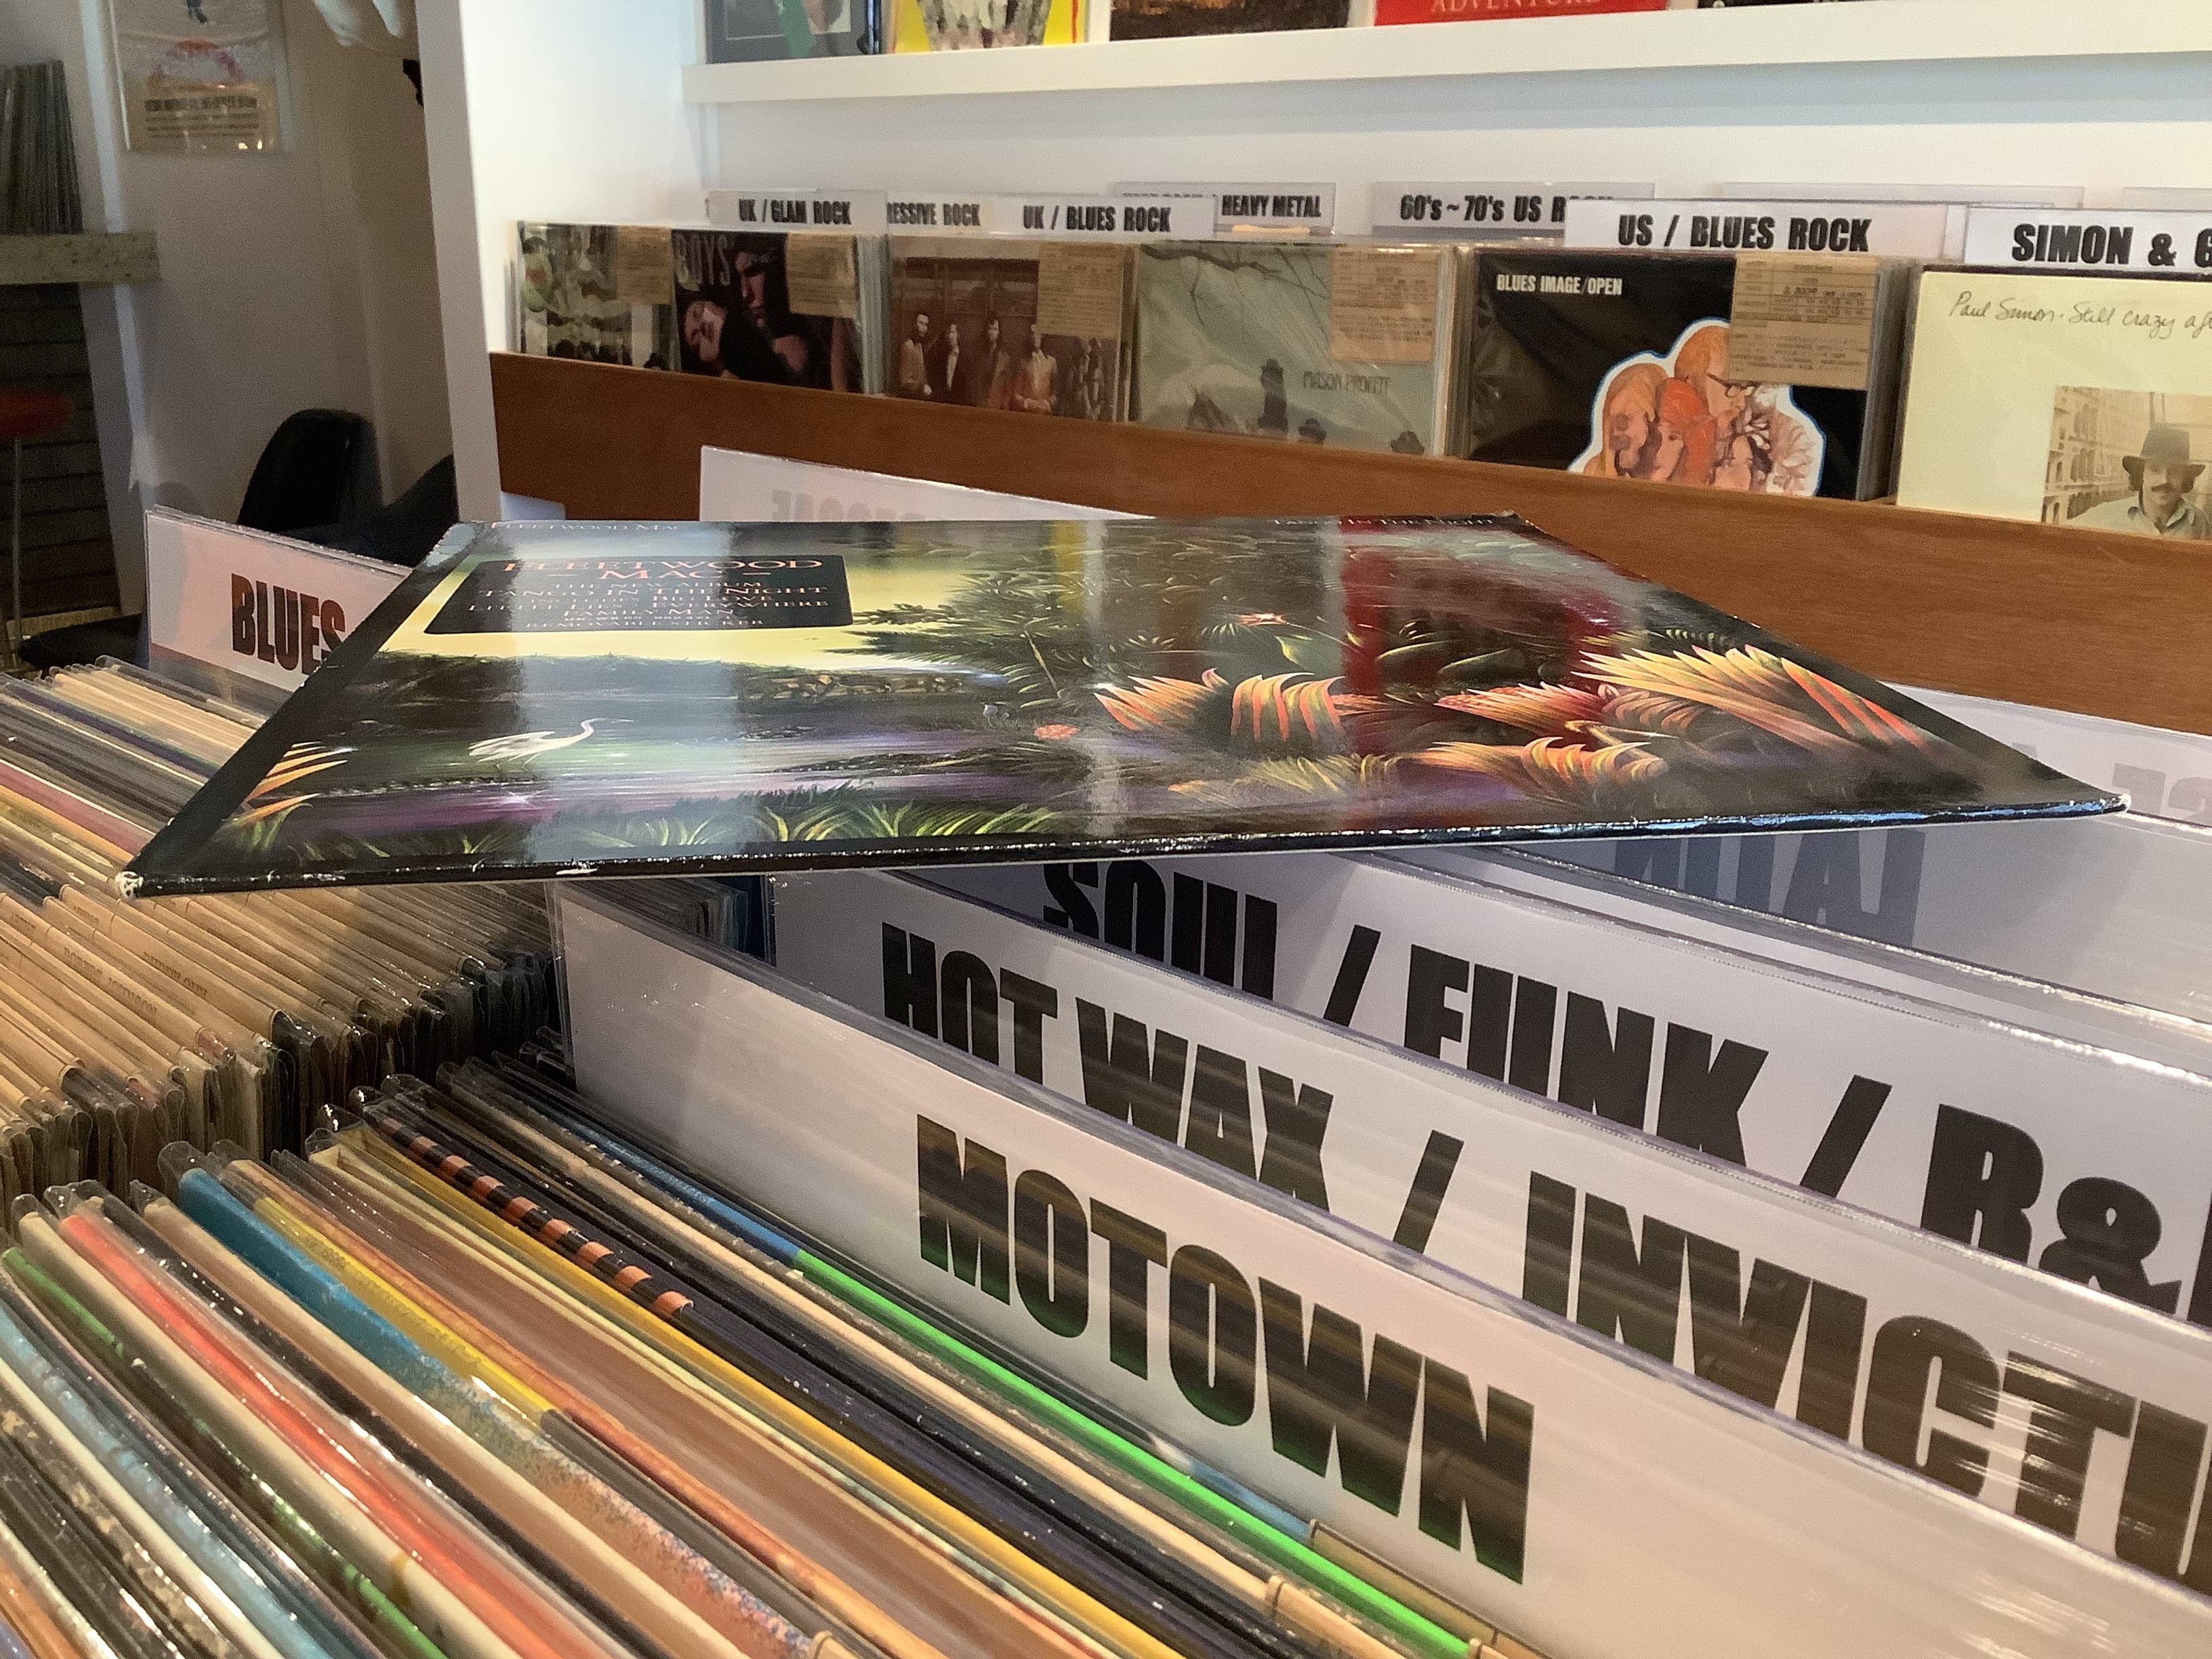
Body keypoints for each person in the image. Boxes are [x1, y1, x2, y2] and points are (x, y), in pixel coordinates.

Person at [2070, 425, 2210, 539]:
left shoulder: (2198, 521)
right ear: (2141, 474)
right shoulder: (2106, 515)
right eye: (2155, 470)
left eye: (2174, 471)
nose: (2164, 480)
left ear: (2185, 477)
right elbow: (2061, 539)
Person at [1580, 361, 1667, 479]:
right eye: (1612, 419)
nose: (1616, 432)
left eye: (1626, 418)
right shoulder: (1594, 471)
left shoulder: (1664, 473)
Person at [1008, 321, 1057, 415]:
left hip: (1044, 413)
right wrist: (1028, 403)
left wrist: (1047, 403)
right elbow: (1016, 393)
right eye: (1032, 334)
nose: (1035, 337)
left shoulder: (1051, 362)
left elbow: (1055, 393)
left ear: (1042, 335)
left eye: (1037, 333)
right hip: (1027, 412)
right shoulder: (1023, 363)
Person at [898, 310, 933, 399]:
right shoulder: (908, 346)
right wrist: (923, 388)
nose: (924, 328)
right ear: (914, 324)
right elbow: (905, 380)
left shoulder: (921, 345)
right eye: (921, 323)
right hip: (911, 398)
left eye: (926, 325)